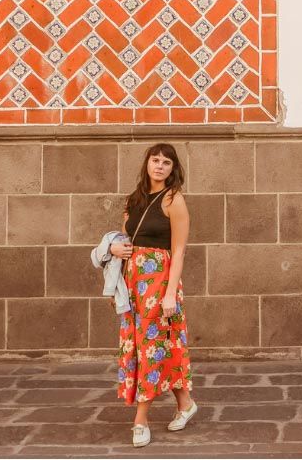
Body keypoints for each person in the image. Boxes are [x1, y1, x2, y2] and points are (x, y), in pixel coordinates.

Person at [111, 143, 196, 448]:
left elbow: (180, 251)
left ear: (173, 169)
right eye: (155, 160)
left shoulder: (174, 200)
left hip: (160, 285)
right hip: (133, 285)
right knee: (151, 346)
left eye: (167, 163)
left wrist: (170, 293)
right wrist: (113, 249)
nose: (160, 166)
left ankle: (141, 420)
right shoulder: (133, 200)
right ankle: (185, 403)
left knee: (150, 349)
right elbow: (124, 239)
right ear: (147, 163)